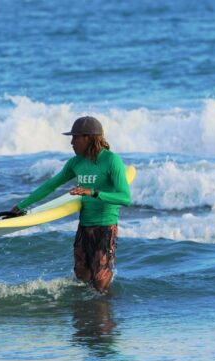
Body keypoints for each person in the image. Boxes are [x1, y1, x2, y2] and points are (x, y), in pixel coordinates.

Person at [10, 116, 131, 293]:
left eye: (75, 137)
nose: (72, 143)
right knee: (81, 276)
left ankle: (107, 315)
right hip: (84, 226)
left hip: (105, 227)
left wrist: (93, 192)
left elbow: (125, 198)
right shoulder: (75, 163)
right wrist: (20, 206)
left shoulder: (112, 160)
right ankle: (86, 316)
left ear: (88, 138)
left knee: (100, 283)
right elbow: (50, 185)